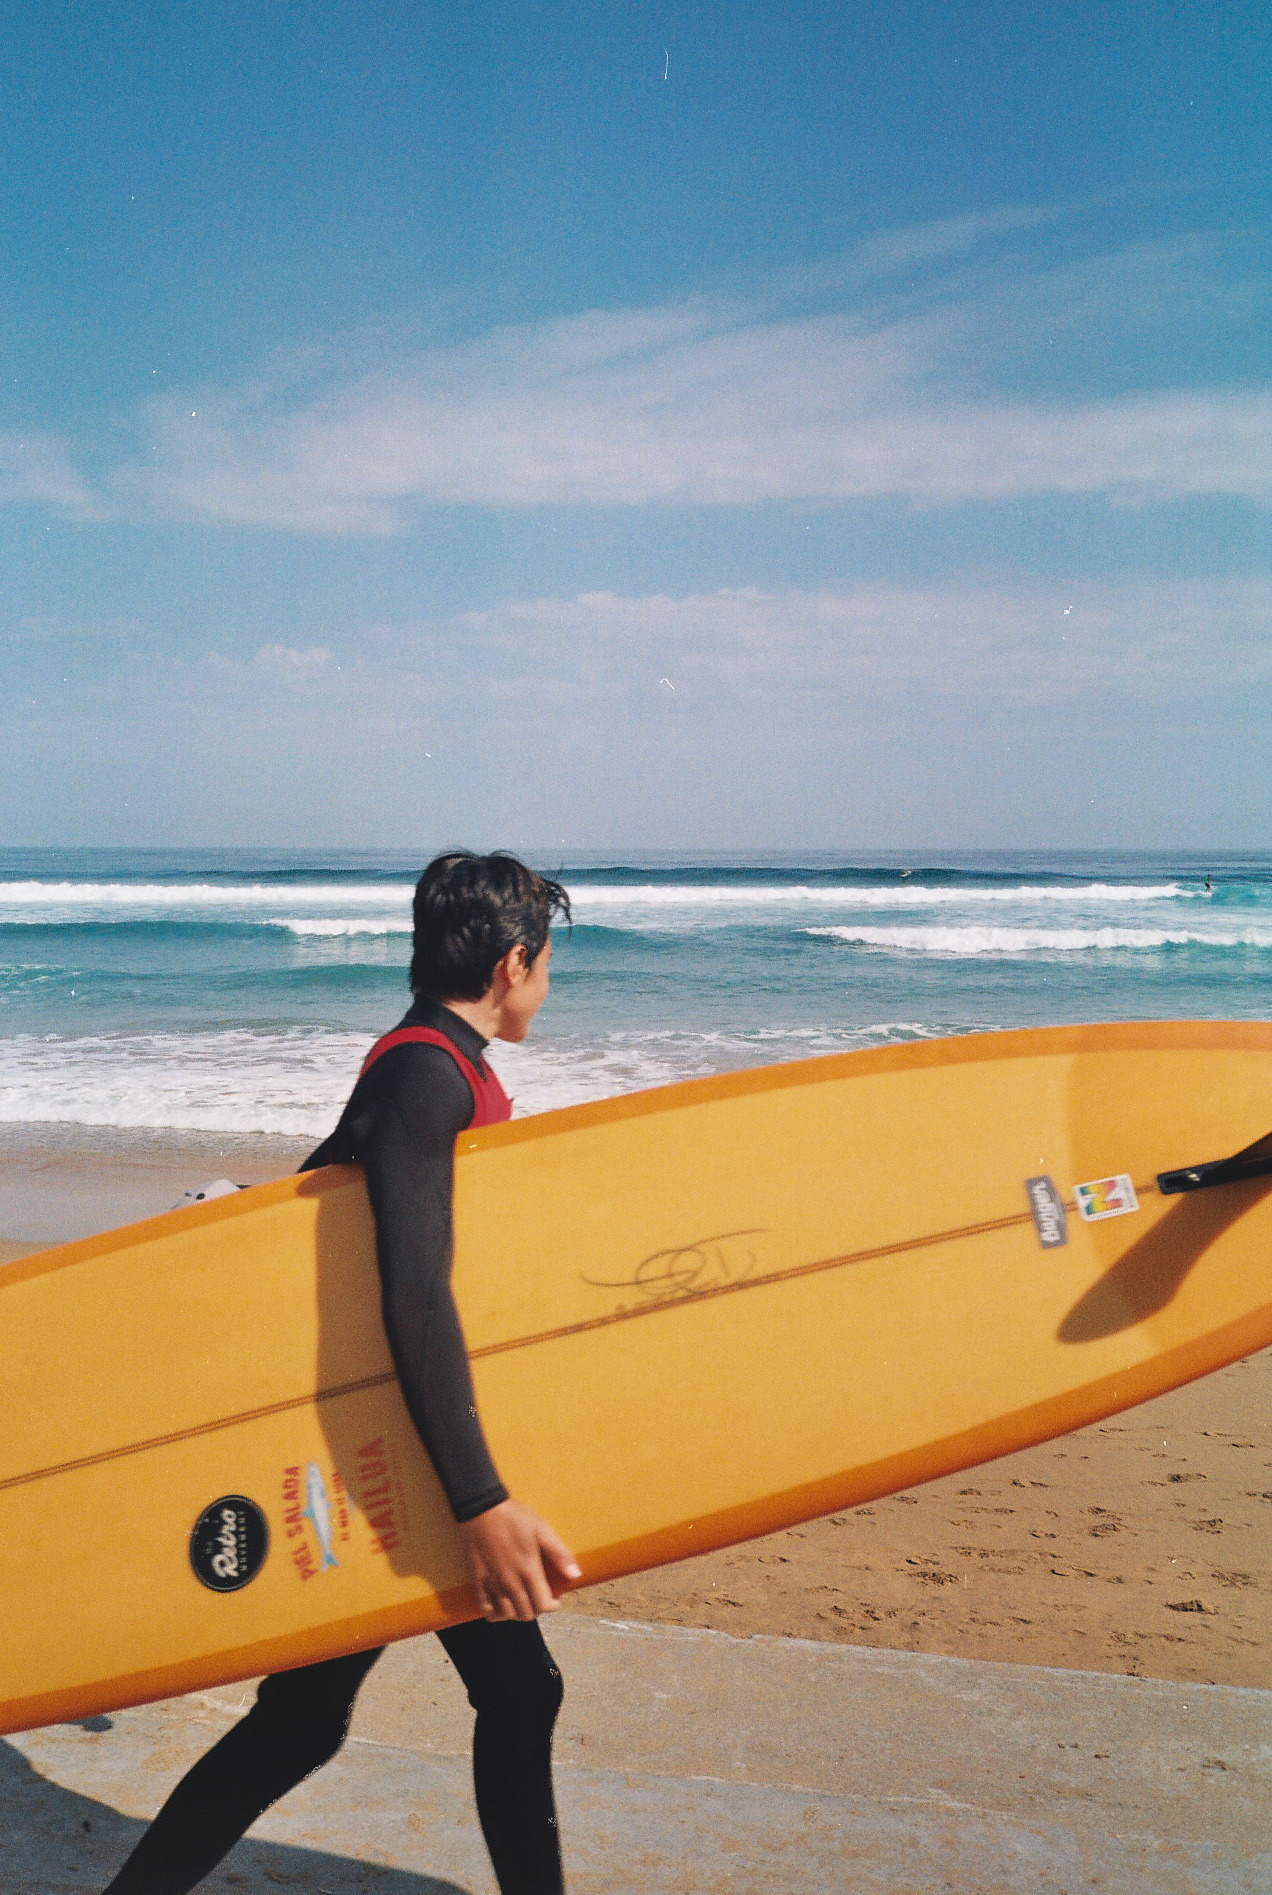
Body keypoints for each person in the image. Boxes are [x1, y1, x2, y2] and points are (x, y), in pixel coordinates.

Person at [103, 851, 579, 1895]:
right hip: (389, 1453)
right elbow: (412, 1293)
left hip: (380, 1438)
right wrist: (479, 1498)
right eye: (546, 963)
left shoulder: (438, 1063)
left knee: (305, 1719)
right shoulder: (424, 1074)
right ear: (512, 962)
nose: (547, 982)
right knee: (509, 1692)